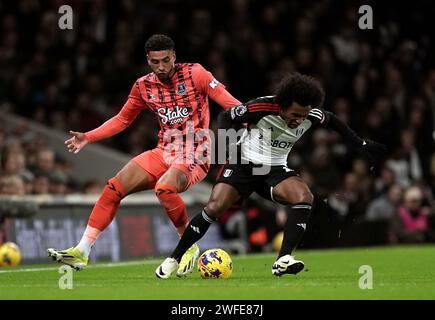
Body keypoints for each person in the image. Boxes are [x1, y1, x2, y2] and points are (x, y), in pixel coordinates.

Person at [156, 72, 386, 278]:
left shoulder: (311, 114)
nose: (299, 120)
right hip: (243, 165)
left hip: (273, 170)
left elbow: (333, 120)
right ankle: (174, 258)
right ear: (283, 106)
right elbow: (227, 116)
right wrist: (232, 144)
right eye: (295, 114)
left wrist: (361, 143)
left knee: (304, 196)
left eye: (303, 115)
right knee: (214, 208)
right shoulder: (262, 107)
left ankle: (283, 259)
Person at [47, 34, 241, 276]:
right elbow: (123, 119)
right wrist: (89, 136)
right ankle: (82, 251)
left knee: (164, 188)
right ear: (148, 60)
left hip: (196, 152)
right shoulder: (143, 85)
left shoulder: (196, 74)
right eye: (155, 62)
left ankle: (187, 244)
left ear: (174, 57)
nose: (161, 67)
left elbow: (232, 104)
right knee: (113, 188)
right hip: (164, 151)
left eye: (166, 60)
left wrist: (247, 125)